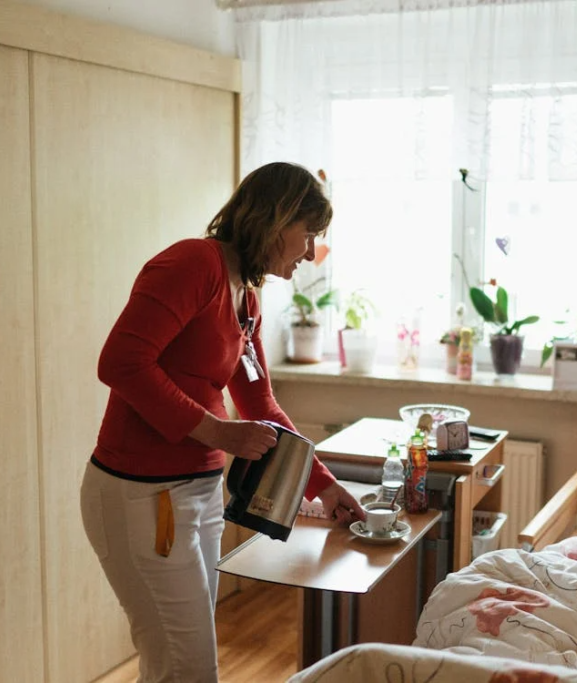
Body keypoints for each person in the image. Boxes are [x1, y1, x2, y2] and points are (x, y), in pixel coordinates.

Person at [79, 161, 366, 683]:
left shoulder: (246, 297)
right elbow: (119, 363)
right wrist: (217, 432)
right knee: (187, 668)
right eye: (308, 236)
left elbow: (261, 407)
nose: (310, 252)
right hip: (142, 497)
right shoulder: (194, 264)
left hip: (199, 495)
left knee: (178, 663)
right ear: (276, 221)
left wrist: (323, 485)